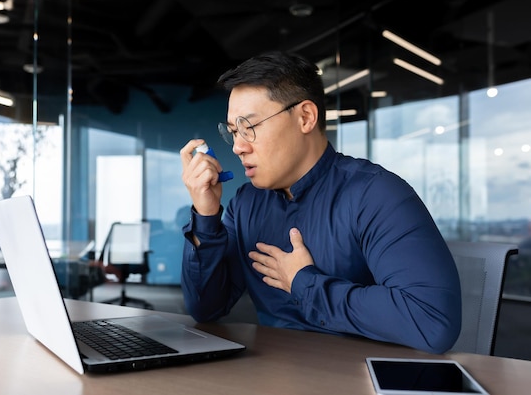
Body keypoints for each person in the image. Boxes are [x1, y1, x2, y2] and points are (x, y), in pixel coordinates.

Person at [179, 50, 462, 354]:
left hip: (359, 377)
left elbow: (433, 322)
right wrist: (206, 215)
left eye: (249, 127)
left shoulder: (376, 194)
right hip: (273, 373)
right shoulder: (246, 204)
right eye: (233, 132)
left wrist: (305, 283)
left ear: (305, 117)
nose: (238, 147)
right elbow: (206, 308)